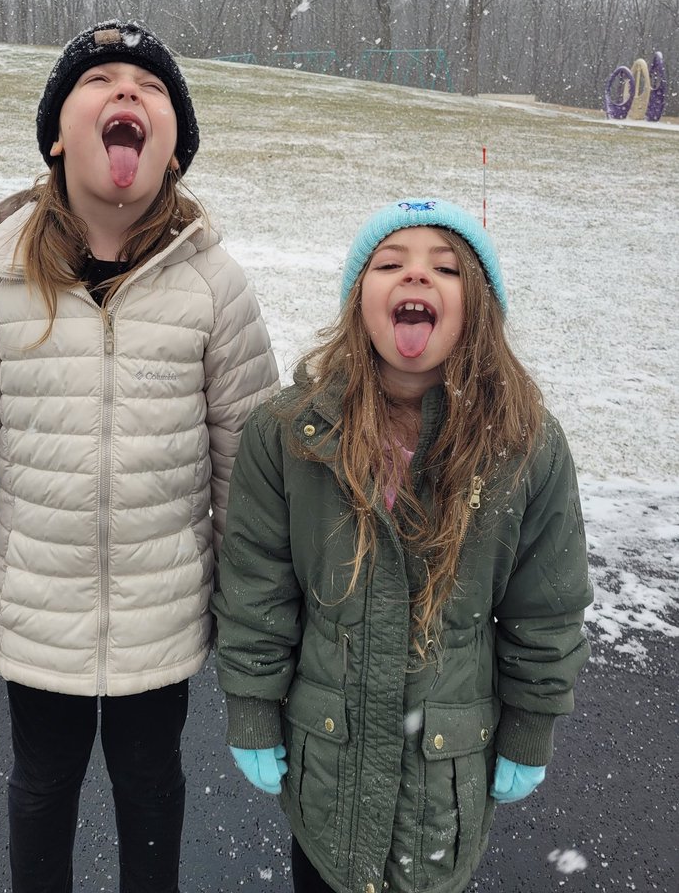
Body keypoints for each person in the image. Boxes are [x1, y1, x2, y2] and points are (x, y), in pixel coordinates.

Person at [0, 20, 278, 893]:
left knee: (152, 787)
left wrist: (261, 634)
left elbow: (251, 476)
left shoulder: (214, 285)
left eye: (149, 89)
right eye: (99, 81)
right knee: (42, 787)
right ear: (55, 136)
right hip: (39, 609)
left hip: (162, 611)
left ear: (174, 150)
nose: (126, 94)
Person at [212, 198, 592, 893]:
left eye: (444, 268)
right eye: (390, 263)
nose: (415, 278)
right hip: (327, 766)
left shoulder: (526, 444)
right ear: (360, 299)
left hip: (445, 781)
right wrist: (253, 708)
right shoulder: (289, 433)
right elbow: (256, 585)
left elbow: (548, 606)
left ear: (476, 304)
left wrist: (532, 725)